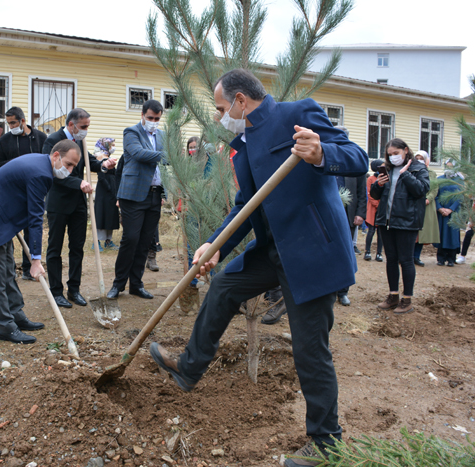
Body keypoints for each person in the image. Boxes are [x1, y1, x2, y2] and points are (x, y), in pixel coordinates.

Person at [149, 69, 368, 466]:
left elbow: (357, 158)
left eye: (220, 109)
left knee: (309, 350)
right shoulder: (243, 144)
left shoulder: (296, 114)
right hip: (274, 251)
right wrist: (215, 246)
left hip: (313, 253)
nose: (218, 118)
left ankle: (326, 443)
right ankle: (188, 368)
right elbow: (245, 207)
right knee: (223, 286)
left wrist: (321, 153)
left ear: (240, 101)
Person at [0, 140, 82, 344]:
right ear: (56, 155)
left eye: (74, 166)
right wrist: (36, 260)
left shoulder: (42, 164)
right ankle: (5, 326)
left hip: (3, 213)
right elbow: (35, 218)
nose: (70, 170)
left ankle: (16, 313)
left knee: (8, 268)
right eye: (68, 164)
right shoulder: (41, 173)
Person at [41, 110, 116, 308]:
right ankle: (56, 291)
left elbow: (89, 162)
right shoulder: (53, 141)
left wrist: (103, 164)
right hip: (58, 203)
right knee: (55, 248)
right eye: (83, 127)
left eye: (87, 127)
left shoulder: (79, 142)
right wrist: (78, 183)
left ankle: (74, 289)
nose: (86, 131)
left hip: (79, 205)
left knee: (77, 248)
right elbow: (53, 171)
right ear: (72, 124)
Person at [107, 100, 167, 300]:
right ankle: (118, 284)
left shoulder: (162, 135)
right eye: (150, 118)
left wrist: (165, 193)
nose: (153, 122)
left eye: (157, 119)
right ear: (142, 114)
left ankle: (136, 284)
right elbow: (139, 154)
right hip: (133, 195)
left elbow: (164, 166)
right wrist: (166, 156)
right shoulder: (131, 132)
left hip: (155, 194)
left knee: (144, 242)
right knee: (130, 239)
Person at [370, 138, 429, 314]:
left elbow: (421, 190)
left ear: (405, 150)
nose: (393, 157)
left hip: (407, 222)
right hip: (386, 221)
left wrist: (405, 174)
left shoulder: (418, 168)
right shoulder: (387, 169)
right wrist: (378, 184)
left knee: (406, 260)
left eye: (396, 153)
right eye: (390, 154)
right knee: (391, 260)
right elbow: (374, 194)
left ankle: (407, 299)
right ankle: (393, 295)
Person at [0, 107, 47, 280]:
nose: (11, 126)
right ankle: (9, 268)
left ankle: (28, 267)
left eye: (13, 123)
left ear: (23, 121)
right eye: (8, 123)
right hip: (12, 192)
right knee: (11, 229)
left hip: (34, 190)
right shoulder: (5, 140)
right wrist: (18, 164)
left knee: (32, 229)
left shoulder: (40, 138)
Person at [334, 125, 366, 307]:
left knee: (346, 253)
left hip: (348, 215)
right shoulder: (323, 156)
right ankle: (329, 290)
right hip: (327, 214)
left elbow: (362, 192)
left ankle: (343, 291)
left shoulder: (355, 160)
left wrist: (360, 214)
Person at [412, 150, 440, 267]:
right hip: (413, 204)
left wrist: (428, 199)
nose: (419, 160)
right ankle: (407, 256)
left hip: (426, 206)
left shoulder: (432, 173)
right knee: (411, 232)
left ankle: (416, 257)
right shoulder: (411, 170)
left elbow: (434, 188)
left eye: (421, 158)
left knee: (422, 233)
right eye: (417, 158)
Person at [434, 159, 463, 266]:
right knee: (441, 234)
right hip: (441, 212)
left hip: (453, 213)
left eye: (451, 167)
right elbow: (435, 195)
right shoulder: (439, 179)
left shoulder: (459, 180)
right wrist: (440, 208)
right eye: (447, 166)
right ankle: (441, 258)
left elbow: (460, 197)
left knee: (452, 235)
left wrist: (451, 209)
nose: (449, 169)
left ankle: (451, 258)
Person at [93, 137, 120, 251]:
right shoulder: (100, 157)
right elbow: (101, 176)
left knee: (111, 216)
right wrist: (109, 188)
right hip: (104, 192)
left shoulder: (109, 157)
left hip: (112, 192)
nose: (113, 146)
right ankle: (96, 242)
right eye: (112, 144)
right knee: (101, 215)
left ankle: (108, 241)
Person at [364, 159, 385, 262]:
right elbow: (370, 194)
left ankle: (379, 253)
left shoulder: (385, 178)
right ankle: (367, 251)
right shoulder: (371, 179)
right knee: (371, 231)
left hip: (381, 209)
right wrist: (377, 204)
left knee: (381, 233)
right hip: (373, 209)